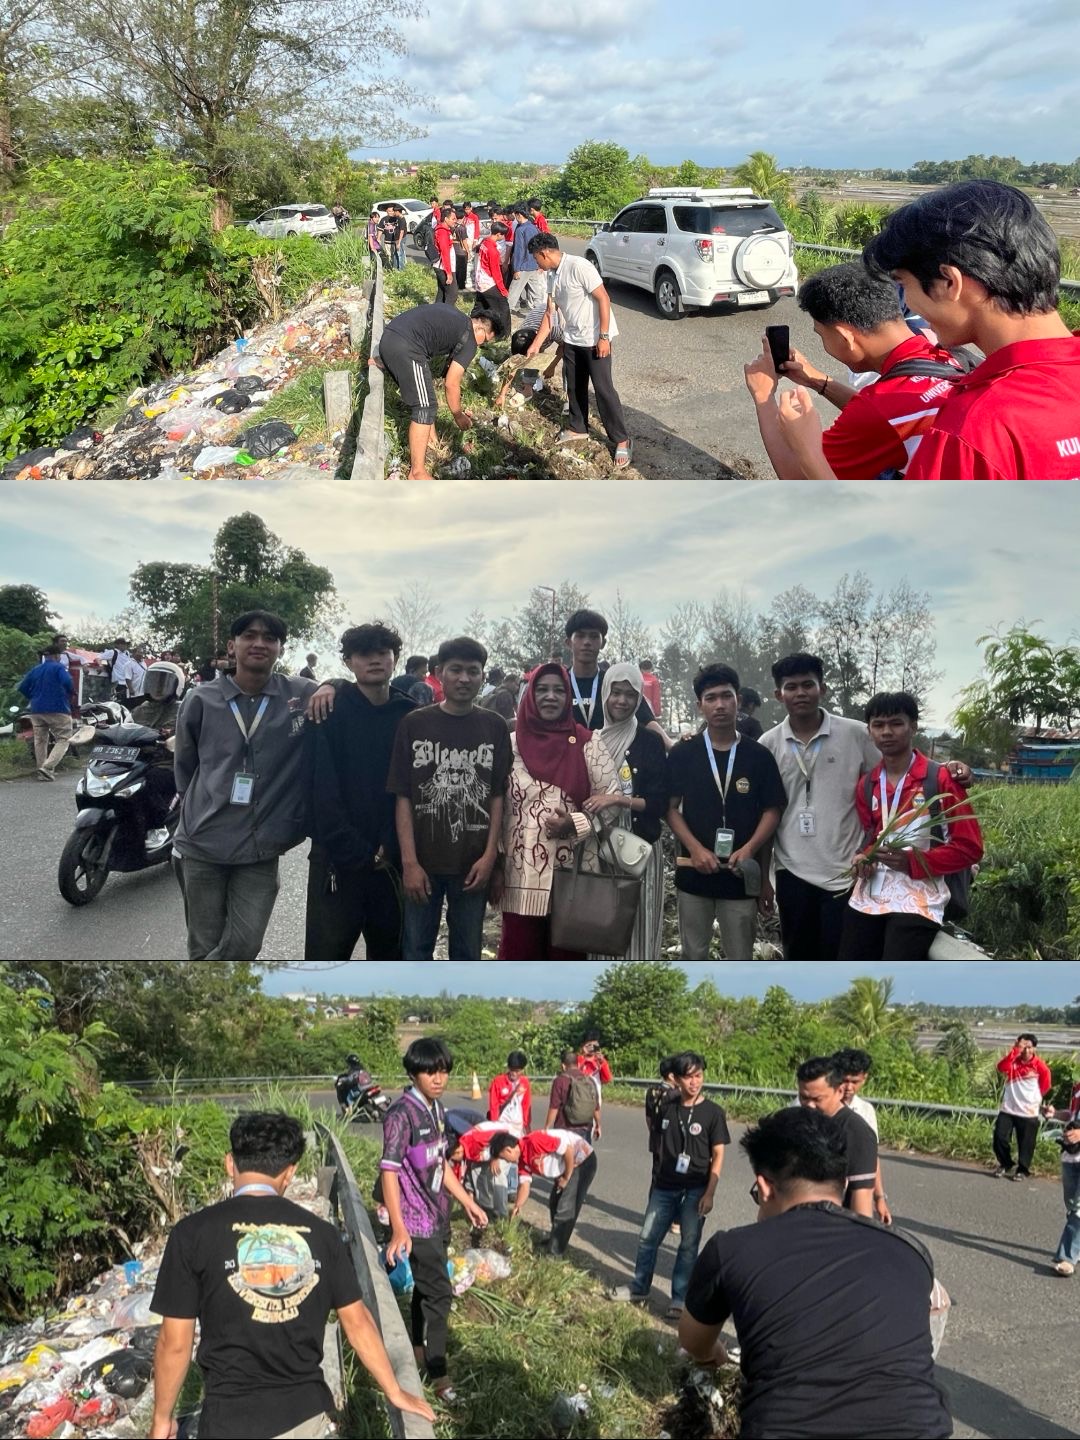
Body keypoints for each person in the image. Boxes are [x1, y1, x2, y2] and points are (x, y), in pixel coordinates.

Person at [149, 1111, 435, 1440]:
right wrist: (393, 1390)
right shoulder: (323, 1235)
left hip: (230, 1420)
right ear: (290, 1173)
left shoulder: (191, 1234)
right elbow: (357, 1323)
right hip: (305, 1416)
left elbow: (174, 1343)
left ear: (230, 1163)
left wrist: (162, 1419)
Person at [679, 1107, 953, 1440]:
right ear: (846, 1182)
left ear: (764, 1187)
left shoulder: (731, 1249)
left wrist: (716, 1354)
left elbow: (694, 1341)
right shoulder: (910, 1251)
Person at [777, 181, 1080, 479]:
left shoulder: (974, 429)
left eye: (904, 284)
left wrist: (806, 447)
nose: (907, 303)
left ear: (950, 283)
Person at [173, 610, 317, 961]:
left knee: (246, 944)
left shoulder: (298, 694)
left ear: (281, 648)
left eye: (270, 638)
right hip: (202, 841)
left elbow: (343, 692)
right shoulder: (202, 699)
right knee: (203, 943)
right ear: (231, 645)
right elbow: (185, 766)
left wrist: (334, 684)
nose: (259, 643)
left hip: (259, 846)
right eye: (249, 635)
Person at [744, 262, 969, 479]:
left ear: (846, 337)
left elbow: (796, 478)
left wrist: (763, 397)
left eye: (821, 334)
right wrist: (816, 380)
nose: (823, 342)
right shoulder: (940, 354)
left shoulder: (878, 410)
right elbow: (887, 422)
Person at [379, 1040, 490, 1405]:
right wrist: (398, 1226)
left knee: (427, 1290)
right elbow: (389, 1173)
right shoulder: (401, 1115)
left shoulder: (437, 1109)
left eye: (444, 1070)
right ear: (414, 1073)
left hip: (438, 1215)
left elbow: (440, 1166)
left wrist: (467, 1201)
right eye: (431, 1071)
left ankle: (417, 1350)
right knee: (440, 1294)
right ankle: (440, 1375)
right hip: (415, 1222)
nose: (439, 1078)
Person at [388, 636, 512, 961]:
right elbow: (403, 797)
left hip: (472, 865)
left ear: (483, 676)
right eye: (455, 670)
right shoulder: (415, 724)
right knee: (415, 949)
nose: (464, 679)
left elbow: (497, 797)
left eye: (473, 671)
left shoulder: (495, 727)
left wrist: (489, 858)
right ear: (439, 672)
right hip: (423, 863)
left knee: (468, 951)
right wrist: (410, 862)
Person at [840, 691, 983, 962]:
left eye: (896, 723)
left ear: (913, 726)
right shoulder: (868, 784)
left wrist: (913, 862)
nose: (886, 732)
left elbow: (970, 848)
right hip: (872, 893)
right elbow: (872, 836)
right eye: (878, 725)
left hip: (920, 898)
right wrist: (864, 857)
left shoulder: (940, 780)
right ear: (869, 731)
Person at [305, 622, 416, 962]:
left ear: (395, 658)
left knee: (390, 960)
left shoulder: (409, 715)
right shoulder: (328, 710)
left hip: (390, 861)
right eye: (364, 653)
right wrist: (353, 850)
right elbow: (320, 787)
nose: (375, 660)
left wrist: (390, 846)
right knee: (325, 961)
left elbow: (411, 789)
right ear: (349, 662)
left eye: (383, 652)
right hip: (337, 860)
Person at [493, 662, 619, 960]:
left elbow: (611, 801)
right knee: (518, 959)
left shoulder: (589, 743)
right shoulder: (509, 745)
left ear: (568, 698)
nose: (550, 696)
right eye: (542, 689)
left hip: (574, 874)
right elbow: (495, 804)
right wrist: (495, 862)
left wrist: (575, 823)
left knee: (567, 961)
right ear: (530, 695)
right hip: (520, 876)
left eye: (559, 690)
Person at [666, 663, 786, 962]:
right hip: (694, 873)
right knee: (694, 955)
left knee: (740, 958)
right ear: (699, 705)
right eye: (711, 698)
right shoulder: (684, 753)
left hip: (740, 875)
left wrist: (749, 849)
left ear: (738, 701)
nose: (719, 705)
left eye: (726, 696)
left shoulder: (758, 755)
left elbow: (772, 810)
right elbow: (669, 809)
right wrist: (695, 849)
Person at [612, 1052, 730, 1321]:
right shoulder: (667, 1107)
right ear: (675, 1079)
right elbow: (658, 1145)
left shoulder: (713, 1113)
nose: (694, 1082)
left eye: (698, 1075)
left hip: (696, 1188)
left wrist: (710, 1192)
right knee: (647, 1238)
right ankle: (640, 1287)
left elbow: (719, 1154)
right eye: (688, 1077)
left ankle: (678, 1298)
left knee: (688, 1245)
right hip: (664, 1186)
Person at [583, 664, 668, 961]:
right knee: (602, 929)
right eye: (615, 693)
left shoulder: (650, 741)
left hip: (639, 849)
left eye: (630, 695)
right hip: (597, 845)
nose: (621, 701)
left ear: (639, 699)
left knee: (641, 927)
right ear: (605, 694)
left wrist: (617, 800)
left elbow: (659, 803)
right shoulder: (591, 741)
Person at [527, 232, 633, 468]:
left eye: (536, 259)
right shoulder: (552, 276)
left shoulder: (579, 266)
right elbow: (549, 313)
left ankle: (622, 440)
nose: (537, 265)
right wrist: (535, 344)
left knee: (604, 390)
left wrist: (604, 336)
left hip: (595, 338)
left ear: (545, 253)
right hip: (573, 338)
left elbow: (603, 299)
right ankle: (578, 427)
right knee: (574, 385)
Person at [372, 304, 503, 481]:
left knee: (426, 397)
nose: (481, 344)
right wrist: (458, 415)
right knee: (424, 406)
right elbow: (451, 383)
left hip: (389, 339)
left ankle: (430, 438)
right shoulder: (470, 339)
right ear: (480, 328)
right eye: (485, 340)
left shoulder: (456, 317)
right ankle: (417, 472)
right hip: (406, 348)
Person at [491, 1127, 598, 1256]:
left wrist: (566, 1177)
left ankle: (554, 1253)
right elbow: (524, 1185)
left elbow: (568, 1150)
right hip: (566, 1167)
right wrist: (518, 1205)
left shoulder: (535, 1141)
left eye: (505, 1158)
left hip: (582, 1161)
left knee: (565, 1208)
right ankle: (556, 1240)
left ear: (509, 1150)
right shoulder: (523, 1160)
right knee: (554, 1202)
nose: (507, 1161)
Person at [796, 1056, 878, 1216]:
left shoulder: (857, 1133)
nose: (809, 1106)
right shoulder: (799, 1122)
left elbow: (862, 1200)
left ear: (839, 1091)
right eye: (804, 1098)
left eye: (817, 1099)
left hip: (833, 1228)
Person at [833, 1047, 891, 1225]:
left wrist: (879, 1198)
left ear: (864, 1078)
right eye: (844, 1080)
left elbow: (871, 1158)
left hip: (854, 1190)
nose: (849, 1087)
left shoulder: (866, 1110)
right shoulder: (819, 1105)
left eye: (855, 1081)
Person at [129, 660, 185, 835]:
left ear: (177, 685)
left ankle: (159, 825)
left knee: (151, 781)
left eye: (164, 683)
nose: (159, 688)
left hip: (167, 763)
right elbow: (124, 729)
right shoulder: (138, 710)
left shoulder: (183, 708)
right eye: (155, 682)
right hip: (137, 761)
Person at [993, 1034, 1053, 1180]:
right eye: (1023, 1047)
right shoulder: (1013, 1062)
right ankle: (1006, 1164)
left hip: (1028, 1112)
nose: (1026, 1050)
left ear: (1034, 1048)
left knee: (1026, 1143)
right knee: (999, 1138)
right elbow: (1001, 1068)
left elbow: (1045, 1086)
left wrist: (1034, 1100)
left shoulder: (1040, 1067)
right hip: (1008, 1109)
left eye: (1029, 1047)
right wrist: (1015, 1051)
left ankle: (1022, 1169)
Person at [17, 645, 74, 781]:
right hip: (58, 708)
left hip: (36, 710)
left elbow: (22, 687)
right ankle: (47, 768)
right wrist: (69, 693)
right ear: (56, 656)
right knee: (64, 738)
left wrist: (33, 697)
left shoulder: (36, 669)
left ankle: (41, 772)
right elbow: (67, 681)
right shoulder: (59, 667)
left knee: (40, 740)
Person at [1044, 1074, 1080, 1275]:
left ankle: (1067, 1257)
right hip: (1071, 1155)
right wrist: (1056, 1113)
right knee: (1071, 1204)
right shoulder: (1078, 1088)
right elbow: (1073, 1115)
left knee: (1078, 1210)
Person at [546, 1048, 603, 1143]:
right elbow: (595, 1107)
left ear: (563, 1066)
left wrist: (547, 1128)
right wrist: (598, 1124)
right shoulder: (589, 1080)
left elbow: (554, 1107)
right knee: (584, 1157)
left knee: (566, 1157)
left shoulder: (559, 1081)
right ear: (577, 1064)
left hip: (564, 1129)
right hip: (585, 1128)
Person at [507, 205, 545, 315]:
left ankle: (506, 316)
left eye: (515, 215)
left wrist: (516, 268)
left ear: (519, 215)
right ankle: (539, 314)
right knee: (536, 293)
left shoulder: (520, 229)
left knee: (513, 292)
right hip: (534, 264)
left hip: (523, 266)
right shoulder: (534, 227)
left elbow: (519, 250)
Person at [488, 1051, 532, 1136]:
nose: (514, 1073)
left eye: (517, 1071)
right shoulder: (498, 1081)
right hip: (502, 1123)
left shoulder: (525, 1082)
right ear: (508, 1067)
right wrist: (495, 1125)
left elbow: (526, 1105)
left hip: (518, 1126)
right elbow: (494, 1105)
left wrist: (526, 1125)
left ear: (522, 1070)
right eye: (512, 1070)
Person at [432, 205, 458, 302]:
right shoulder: (442, 232)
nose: (455, 220)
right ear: (446, 219)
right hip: (443, 267)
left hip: (442, 267)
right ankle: (446, 315)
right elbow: (445, 253)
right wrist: (449, 274)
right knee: (452, 294)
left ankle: (436, 314)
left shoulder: (445, 230)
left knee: (442, 292)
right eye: (453, 219)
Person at [99, 637, 135, 703]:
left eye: (125, 644)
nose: (125, 646)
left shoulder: (127, 654)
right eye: (123, 644)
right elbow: (99, 658)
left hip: (126, 684)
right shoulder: (113, 652)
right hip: (116, 683)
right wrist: (100, 665)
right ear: (118, 645)